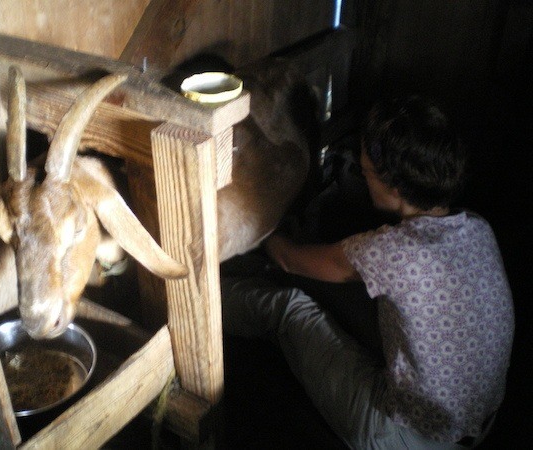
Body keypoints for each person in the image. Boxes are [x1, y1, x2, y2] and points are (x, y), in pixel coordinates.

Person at [220, 95, 514, 449]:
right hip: (476, 422)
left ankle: (194, 305)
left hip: (408, 434)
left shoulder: (393, 253)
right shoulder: (478, 228)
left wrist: (260, 224)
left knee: (288, 307)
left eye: (366, 172)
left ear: (394, 185)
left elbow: (288, 259)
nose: (363, 176)